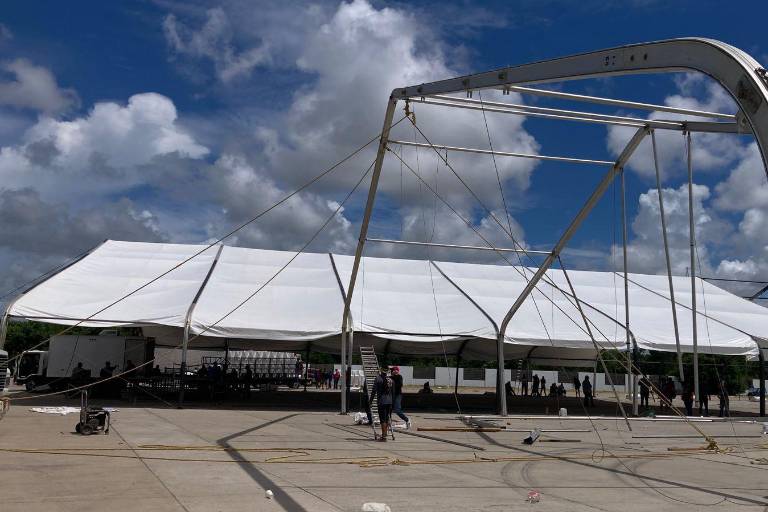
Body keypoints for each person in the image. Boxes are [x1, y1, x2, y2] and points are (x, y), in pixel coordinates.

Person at [370, 367, 394, 441]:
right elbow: (393, 391)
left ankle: (384, 437)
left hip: (382, 401)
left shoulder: (378, 378)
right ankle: (385, 435)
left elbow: (374, 390)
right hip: (390, 401)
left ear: (381, 370)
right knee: (387, 419)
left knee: (382, 419)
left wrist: (370, 401)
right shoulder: (390, 380)